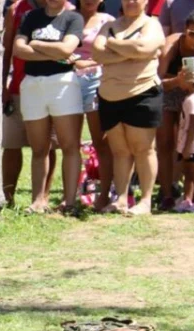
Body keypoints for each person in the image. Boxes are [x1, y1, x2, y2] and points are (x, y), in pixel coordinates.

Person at [92, 0, 164, 215]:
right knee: (120, 151)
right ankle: (121, 199)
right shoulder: (109, 26)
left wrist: (113, 44)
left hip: (142, 93)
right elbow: (97, 53)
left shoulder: (152, 25)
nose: (131, 2)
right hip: (110, 96)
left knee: (143, 149)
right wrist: (131, 51)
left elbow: (145, 47)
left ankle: (145, 201)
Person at [13, 0, 84, 215]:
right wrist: (56, 53)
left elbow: (67, 48)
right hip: (33, 83)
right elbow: (18, 50)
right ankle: (38, 200)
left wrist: (35, 43)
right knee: (39, 149)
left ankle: (69, 202)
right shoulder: (30, 17)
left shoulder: (73, 18)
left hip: (63, 83)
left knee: (70, 145)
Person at [2, 0, 59, 207]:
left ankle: (43, 196)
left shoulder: (63, 8)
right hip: (18, 86)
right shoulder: (15, 9)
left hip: (50, 86)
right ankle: (7, 197)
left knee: (47, 146)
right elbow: (7, 48)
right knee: (11, 145)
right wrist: (2, 84)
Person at [74, 0, 115, 211]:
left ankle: (105, 193)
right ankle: (69, 196)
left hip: (97, 81)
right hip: (67, 79)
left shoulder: (108, 22)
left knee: (101, 142)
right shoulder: (67, 17)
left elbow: (114, 53)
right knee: (69, 144)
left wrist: (95, 63)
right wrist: (73, 62)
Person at [157, 10, 194, 210]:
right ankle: (166, 193)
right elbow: (157, 81)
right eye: (193, 34)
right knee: (165, 142)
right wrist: (177, 81)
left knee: (191, 146)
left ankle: (191, 194)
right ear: (185, 31)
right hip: (169, 89)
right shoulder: (172, 43)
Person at [176, 81, 194, 210]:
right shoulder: (189, 98)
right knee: (187, 173)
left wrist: (187, 146)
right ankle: (187, 199)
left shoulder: (193, 100)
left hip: (193, 145)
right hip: (186, 143)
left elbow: (193, 124)